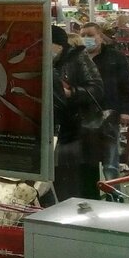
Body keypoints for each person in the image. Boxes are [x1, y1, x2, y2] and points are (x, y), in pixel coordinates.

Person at [51, 24, 105, 200]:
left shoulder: (78, 58)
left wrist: (72, 93)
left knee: (82, 183)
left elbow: (97, 89)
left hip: (79, 131)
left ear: (59, 45)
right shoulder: (44, 62)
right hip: (55, 133)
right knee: (60, 183)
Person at [80, 21, 129, 179]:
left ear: (100, 36)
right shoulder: (77, 58)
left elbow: (127, 85)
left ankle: (113, 191)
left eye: (90, 35)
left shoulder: (115, 57)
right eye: (83, 35)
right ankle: (90, 191)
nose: (86, 39)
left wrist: (126, 111)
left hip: (109, 113)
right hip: (83, 115)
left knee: (110, 163)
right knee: (86, 162)